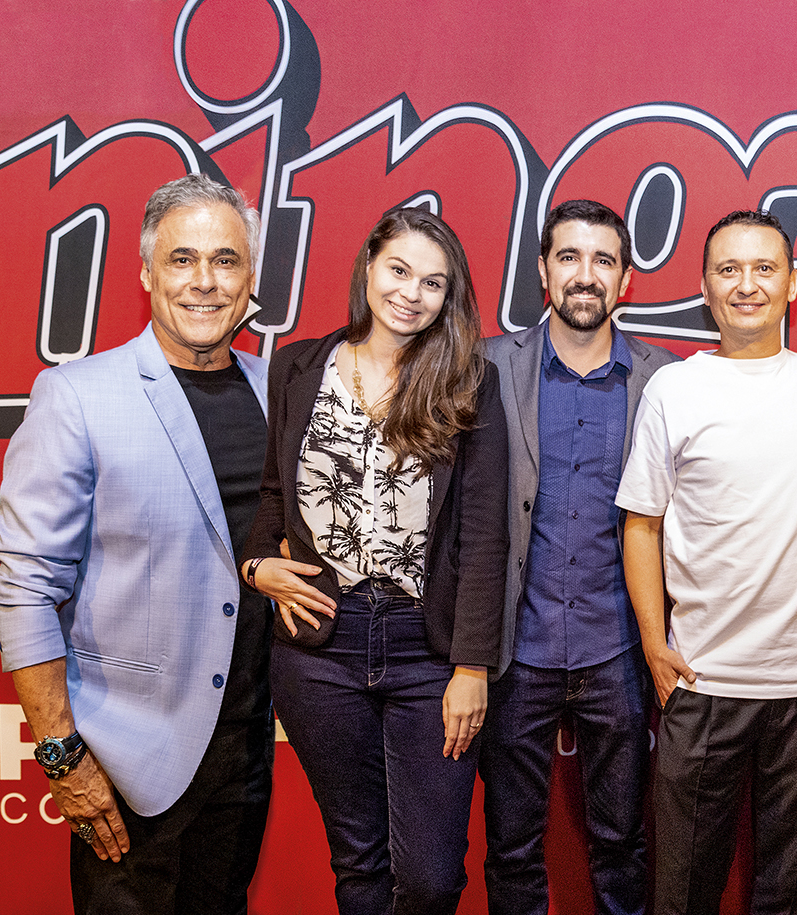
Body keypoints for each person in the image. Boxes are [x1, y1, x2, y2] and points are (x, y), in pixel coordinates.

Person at [0, 173, 271, 913]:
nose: (204, 282)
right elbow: (22, 592)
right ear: (147, 273)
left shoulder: (282, 391)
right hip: (122, 766)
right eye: (182, 260)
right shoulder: (79, 394)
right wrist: (60, 756)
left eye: (226, 260)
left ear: (251, 277)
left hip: (244, 756)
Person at [240, 206, 508, 915]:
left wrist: (471, 666)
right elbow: (273, 494)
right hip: (318, 642)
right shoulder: (298, 365)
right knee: (359, 862)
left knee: (429, 877)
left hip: (427, 643)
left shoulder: (468, 381)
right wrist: (256, 565)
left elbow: (484, 536)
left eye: (432, 282)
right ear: (368, 267)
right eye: (399, 271)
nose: (411, 293)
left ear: (449, 297)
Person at [617, 210, 797, 915]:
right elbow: (641, 525)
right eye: (729, 269)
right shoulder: (674, 389)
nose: (746, 284)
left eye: (763, 268)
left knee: (786, 893)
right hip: (702, 679)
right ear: (705, 287)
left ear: (792, 287)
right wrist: (654, 644)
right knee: (683, 889)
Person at [481, 199, 678, 915]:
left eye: (603, 260)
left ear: (624, 278)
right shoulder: (489, 366)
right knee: (510, 847)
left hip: (620, 650)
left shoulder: (666, 379)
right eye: (569, 257)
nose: (585, 275)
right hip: (514, 652)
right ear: (543, 270)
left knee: (624, 842)